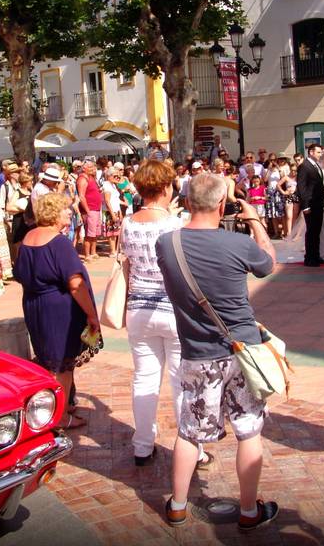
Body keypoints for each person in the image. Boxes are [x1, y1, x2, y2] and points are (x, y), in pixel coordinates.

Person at [154, 173, 277, 530]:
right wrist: (254, 220)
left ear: (188, 202)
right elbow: (268, 263)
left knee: (190, 431)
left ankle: (177, 505)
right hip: (242, 351)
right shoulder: (238, 244)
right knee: (248, 429)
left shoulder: (167, 244)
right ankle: (249, 510)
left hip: (197, 352)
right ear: (222, 205)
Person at [119, 160, 211, 468]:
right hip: (173, 309)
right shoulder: (174, 225)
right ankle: (193, 448)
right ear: (164, 187)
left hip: (138, 308)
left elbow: (127, 264)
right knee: (180, 381)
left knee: (144, 378)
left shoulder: (128, 223)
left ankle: (142, 445)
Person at [13, 193, 101, 429]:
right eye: (66, 210)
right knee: (62, 363)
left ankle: (59, 404)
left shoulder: (29, 237)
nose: (70, 213)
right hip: (58, 308)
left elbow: (20, 274)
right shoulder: (58, 242)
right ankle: (59, 416)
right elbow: (75, 284)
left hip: (35, 305)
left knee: (48, 358)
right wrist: (91, 314)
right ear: (54, 213)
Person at [296, 143, 324, 266]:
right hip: (310, 204)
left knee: (316, 231)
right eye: (318, 152)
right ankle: (309, 258)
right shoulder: (304, 166)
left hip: (318, 203)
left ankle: (316, 255)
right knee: (311, 231)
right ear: (311, 152)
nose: (320, 154)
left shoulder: (316, 165)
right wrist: (305, 206)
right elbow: (301, 187)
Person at [77, 161, 103, 261]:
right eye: (91, 167)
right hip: (90, 209)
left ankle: (93, 252)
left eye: (94, 166)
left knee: (95, 233)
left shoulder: (91, 177)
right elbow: (81, 196)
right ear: (84, 168)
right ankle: (87, 254)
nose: (93, 168)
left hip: (96, 209)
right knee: (89, 233)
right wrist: (87, 211)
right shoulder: (83, 178)